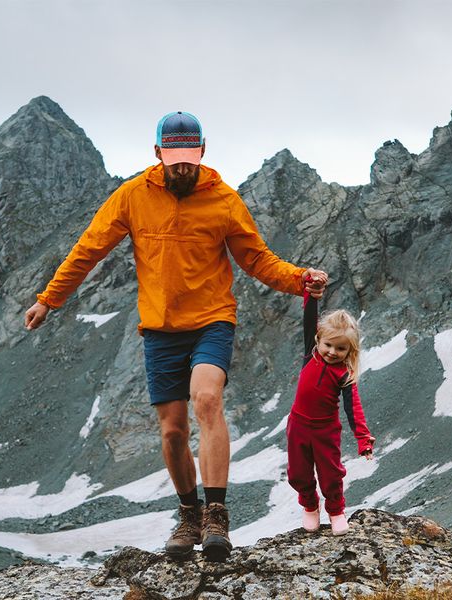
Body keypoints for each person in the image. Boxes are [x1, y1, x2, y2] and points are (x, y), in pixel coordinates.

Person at [24, 111, 328, 562]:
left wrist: (299, 278)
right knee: (171, 432)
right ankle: (190, 513)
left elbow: (257, 259)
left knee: (206, 399)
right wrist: (49, 299)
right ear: (158, 154)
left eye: (189, 158)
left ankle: (217, 514)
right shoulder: (132, 196)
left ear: (202, 152)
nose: (182, 167)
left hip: (212, 320)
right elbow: (89, 248)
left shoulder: (224, 200)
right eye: (174, 159)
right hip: (160, 329)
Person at [286, 281, 375, 536]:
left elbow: (353, 409)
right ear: (318, 340)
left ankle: (336, 511)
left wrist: (363, 440)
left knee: (331, 474)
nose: (332, 352)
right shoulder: (309, 354)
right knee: (298, 472)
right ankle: (310, 506)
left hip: (325, 430)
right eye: (328, 345)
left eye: (341, 348)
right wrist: (311, 294)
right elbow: (309, 318)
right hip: (298, 426)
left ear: (350, 350)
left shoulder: (344, 374)